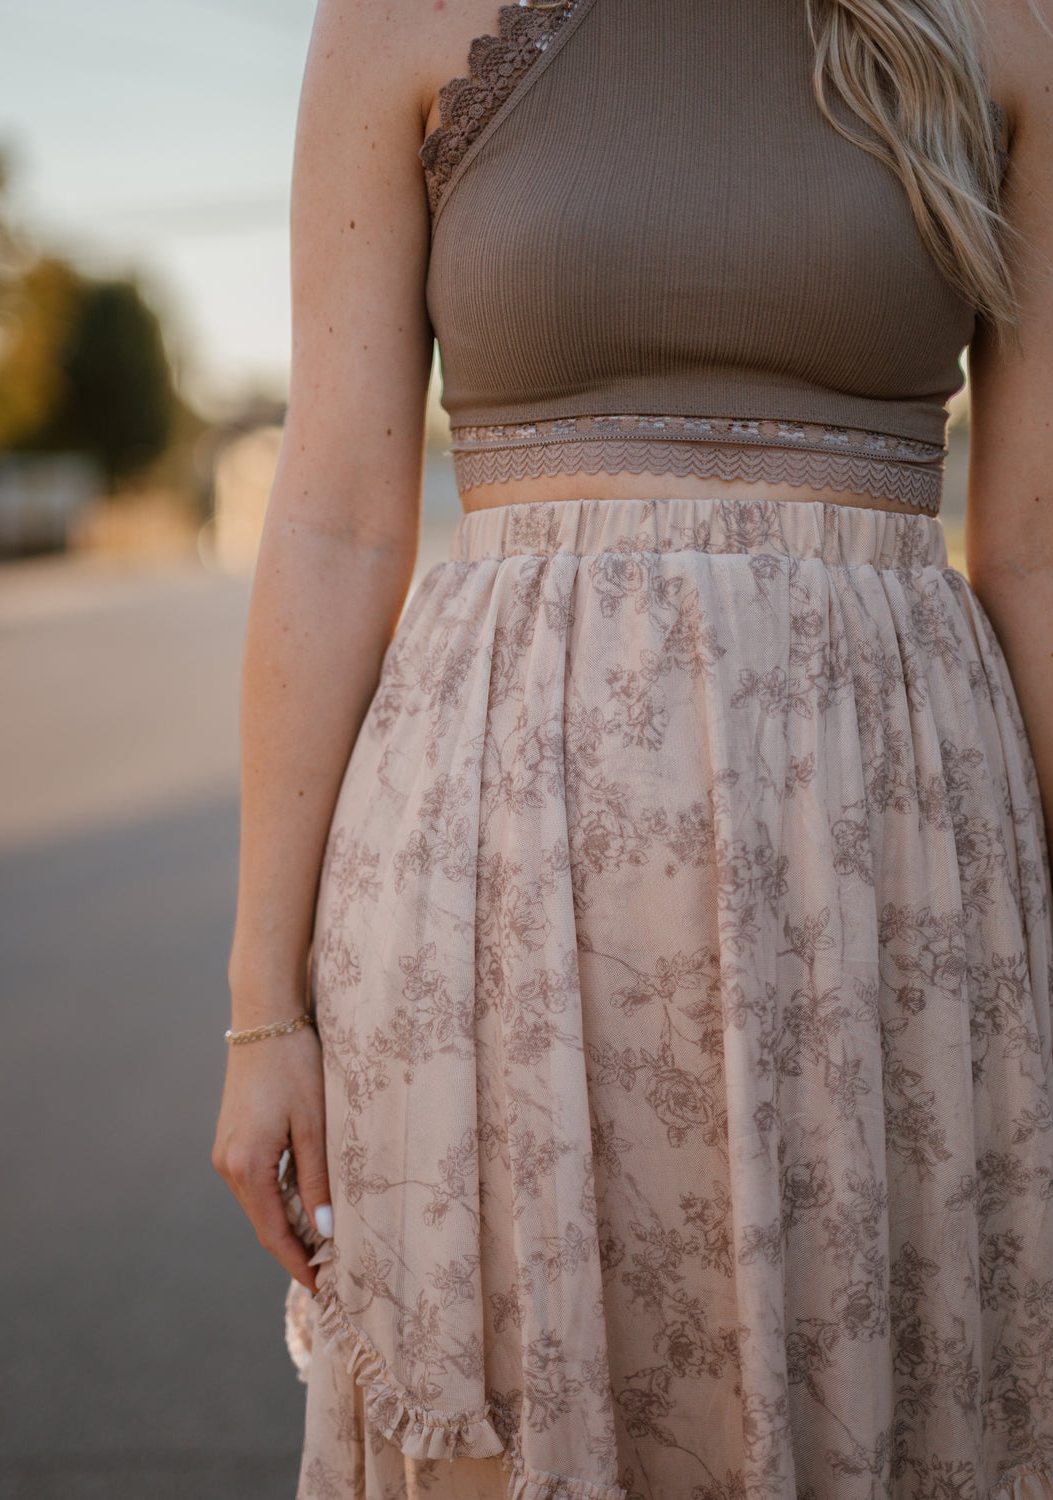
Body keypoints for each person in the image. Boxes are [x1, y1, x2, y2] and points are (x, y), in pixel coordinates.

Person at [212, 0, 1053, 1494]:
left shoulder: (1011, 27)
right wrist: (261, 1004)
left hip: (896, 896)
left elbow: (1040, 544)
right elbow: (337, 513)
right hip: (495, 889)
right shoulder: (394, 22)